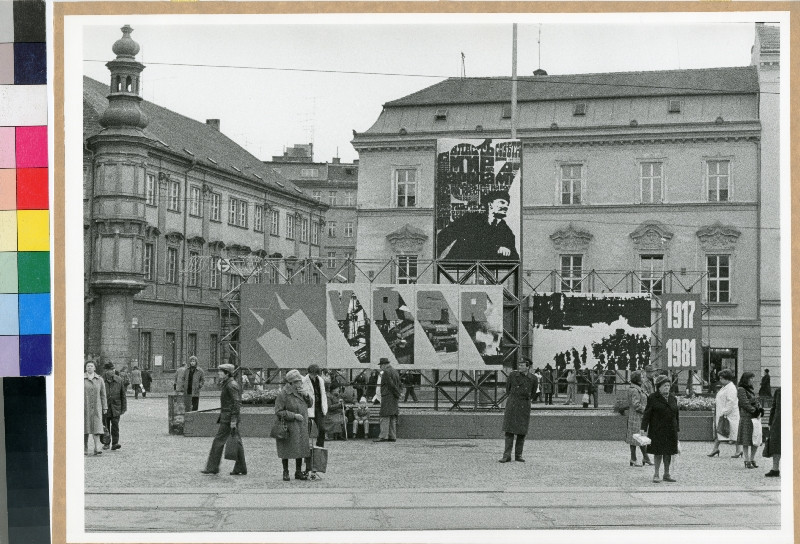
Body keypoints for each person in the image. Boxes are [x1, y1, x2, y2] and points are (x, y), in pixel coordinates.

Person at [436, 189, 519, 261]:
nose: (506, 206)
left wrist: (508, 251)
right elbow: (444, 237)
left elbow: (515, 260)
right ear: (490, 204)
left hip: (484, 274)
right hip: (456, 270)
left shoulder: (506, 232)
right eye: (502, 202)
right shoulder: (470, 219)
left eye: (507, 204)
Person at [201, 364, 246, 475]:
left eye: (221, 372)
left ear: (227, 373)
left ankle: (212, 467)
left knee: (218, 441)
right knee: (237, 441)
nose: (218, 373)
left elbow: (236, 403)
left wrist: (233, 421)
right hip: (228, 417)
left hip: (228, 419)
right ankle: (241, 467)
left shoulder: (231, 385)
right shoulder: (229, 384)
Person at [274, 369, 313, 481]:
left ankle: (298, 471)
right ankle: (285, 472)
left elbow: (310, 404)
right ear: (291, 383)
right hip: (288, 427)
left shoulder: (301, 392)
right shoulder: (283, 394)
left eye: (300, 381)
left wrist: (306, 395)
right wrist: (294, 415)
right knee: (286, 449)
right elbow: (278, 411)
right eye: (298, 382)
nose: (300, 383)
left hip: (301, 426)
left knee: (300, 449)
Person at [640, 375, 680, 483]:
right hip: (657, 429)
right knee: (658, 452)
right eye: (664, 386)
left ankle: (666, 474)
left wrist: (677, 429)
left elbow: (676, 415)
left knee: (669, 452)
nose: (667, 388)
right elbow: (647, 414)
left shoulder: (673, 398)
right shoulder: (653, 398)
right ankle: (656, 474)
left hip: (671, 430)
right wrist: (643, 428)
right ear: (659, 387)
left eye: (668, 385)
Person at [499, 359, 536, 463]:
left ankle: (518, 455)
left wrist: (524, 400)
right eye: (519, 365)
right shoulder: (512, 375)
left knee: (521, 432)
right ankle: (506, 456)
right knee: (509, 431)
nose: (520, 367)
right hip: (512, 404)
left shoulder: (533, 378)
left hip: (524, 405)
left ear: (527, 367)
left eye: (522, 365)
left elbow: (533, 393)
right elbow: (508, 390)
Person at [302, 364, 329, 479]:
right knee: (306, 433)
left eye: (316, 374)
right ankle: (306, 458)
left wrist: (324, 407)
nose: (314, 376)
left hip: (319, 408)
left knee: (322, 429)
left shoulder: (321, 380)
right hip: (309, 408)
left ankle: (319, 450)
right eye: (312, 374)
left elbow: (322, 394)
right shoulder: (304, 380)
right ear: (309, 373)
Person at [707, 369, 741, 458]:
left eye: (722, 378)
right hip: (724, 414)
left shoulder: (731, 388)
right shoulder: (725, 387)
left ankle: (738, 450)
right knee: (721, 430)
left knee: (733, 432)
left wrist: (724, 412)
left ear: (727, 379)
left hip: (728, 414)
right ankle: (716, 449)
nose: (720, 380)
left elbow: (731, 401)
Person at [735, 372, 763, 469]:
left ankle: (752, 458)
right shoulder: (741, 389)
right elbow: (744, 403)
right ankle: (746, 460)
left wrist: (759, 409)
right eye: (751, 378)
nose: (752, 380)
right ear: (746, 379)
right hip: (746, 416)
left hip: (754, 417)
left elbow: (756, 400)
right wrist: (754, 410)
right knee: (746, 439)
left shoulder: (750, 389)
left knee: (755, 438)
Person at [625, 371, 652, 466]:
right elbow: (636, 404)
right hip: (636, 416)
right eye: (642, 377)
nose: (643, 378)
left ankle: (644, 458)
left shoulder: (638, 388)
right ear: (637, 379)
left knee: (639, 437)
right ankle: (634, 458)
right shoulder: (634, 390)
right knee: (636, 438)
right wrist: (646, 411)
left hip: (638, 416)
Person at [374, 358, 401, 443]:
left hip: (388, 397)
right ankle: (392, 436)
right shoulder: (395, 371)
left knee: (384, 416)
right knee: (392, 416)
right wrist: (397, 394)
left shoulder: (386, 372)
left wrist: (397, 393)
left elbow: (391, 385)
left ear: (384, 364)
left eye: (381, 365)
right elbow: (399, 384)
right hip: (394, 398)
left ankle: (383, 436)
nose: (380, 368)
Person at [102, 362, 127, 451]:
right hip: (104, 407)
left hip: (116, 406)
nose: (113, 371)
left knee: (115, 425)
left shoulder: (119, 380)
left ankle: (115, 443)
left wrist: (124, 407)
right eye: (110, 370)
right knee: (105, 426)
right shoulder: (101, 380)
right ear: (106, 371)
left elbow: (123, 394)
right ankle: (106, 443)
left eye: (113, 369)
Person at [84, 361, 107, 456]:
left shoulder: (100, 379)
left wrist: (105, 407)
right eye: (88, 366)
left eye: (91, 366)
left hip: (97, 407)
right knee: (84, 427)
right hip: (84, 407)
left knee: (97, 427)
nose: (89, 367)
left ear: (95, 368)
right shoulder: (80, 379)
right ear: (85, 368)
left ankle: (97, 447)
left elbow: (103, 394)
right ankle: (84, 447)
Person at [763, 387, 781, 477]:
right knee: (776, 444)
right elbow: (773, 407)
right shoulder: (779, 391)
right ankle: (775, 469)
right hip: (778, 422)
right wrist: (770, 422)